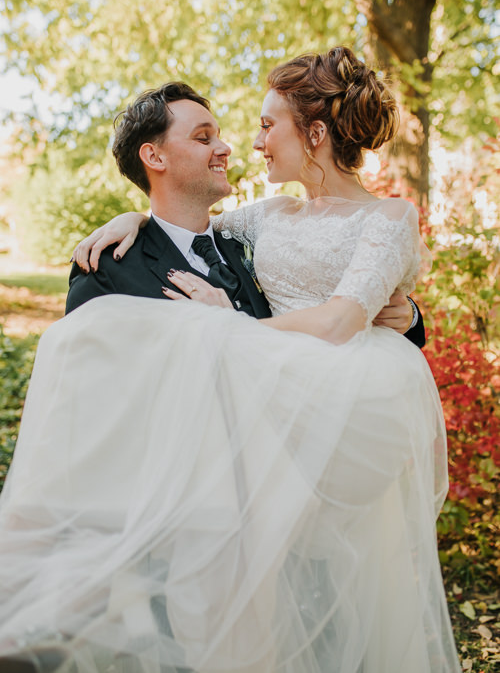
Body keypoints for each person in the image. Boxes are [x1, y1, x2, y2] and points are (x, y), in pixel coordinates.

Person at [0, 47, 460, 673]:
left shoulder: (335, 226)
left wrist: (401, 318)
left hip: (330, 414)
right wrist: (133, 212)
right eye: (210, 134)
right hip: (211, 469)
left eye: (266, 126)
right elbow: (184, 225)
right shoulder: (255, 223)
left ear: (316, 134)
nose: (248, 144)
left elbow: (339, 316)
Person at [65, 82, 424, 346]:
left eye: (266, 126)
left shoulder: (247, 241)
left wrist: (409, 318)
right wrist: (136, 217)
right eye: (204, 138)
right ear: (154, 158)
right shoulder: (106, 269)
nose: (228, 148)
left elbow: (328, 301)